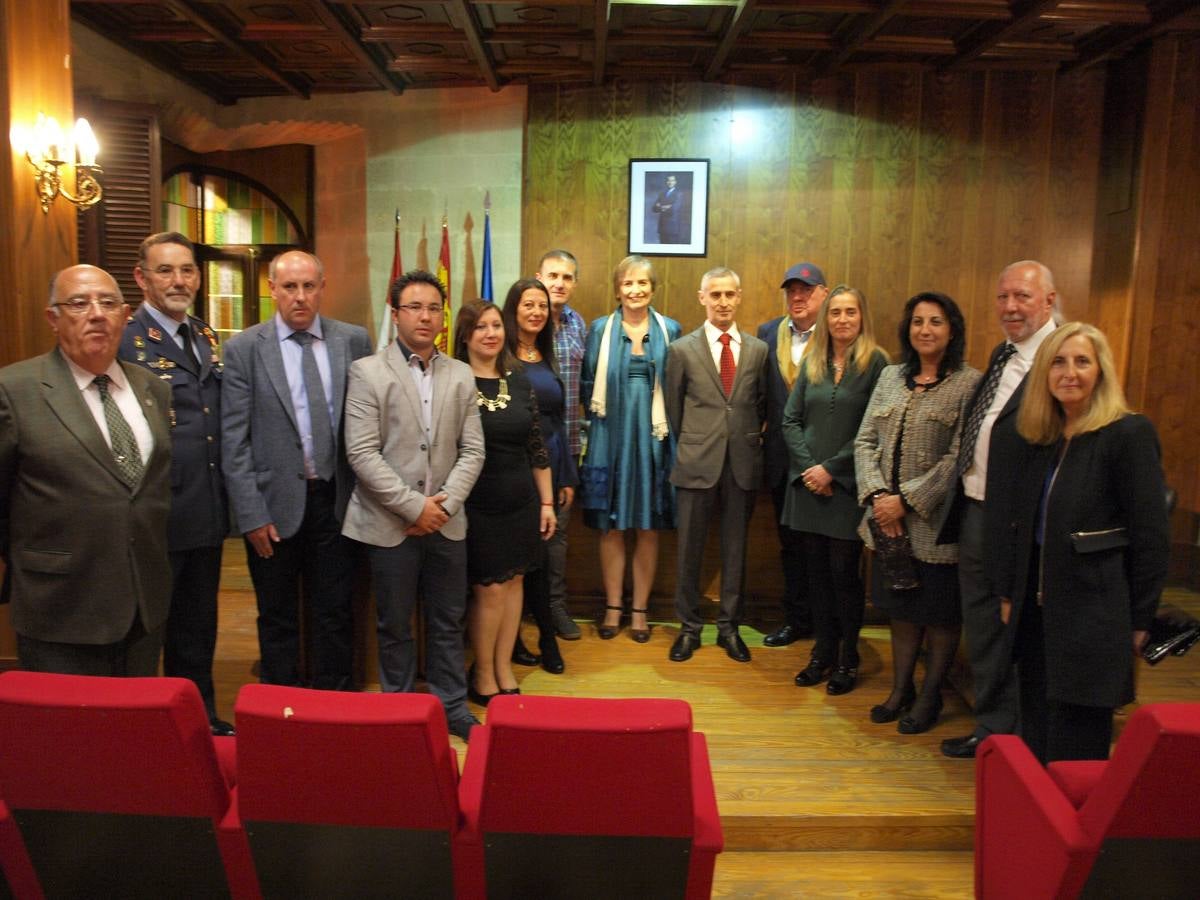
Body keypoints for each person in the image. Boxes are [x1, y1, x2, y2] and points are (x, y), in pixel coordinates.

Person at [998, 323, 1169, 762]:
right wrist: (1008, 594)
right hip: (1036, 612)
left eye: (1081, 361)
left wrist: (1140, 619)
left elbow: (1151, 536)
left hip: (1094, 614)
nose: (1069, 372)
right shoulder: (1041, 436)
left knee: (1077, 745)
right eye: (1058, 361)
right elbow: (1019, 525)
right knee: (1034, 728)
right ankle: (1038, 822)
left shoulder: (1127, 434)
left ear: (1100, 371)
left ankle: (1073, 827)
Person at [0, 265, 171, 675]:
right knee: (64, 736)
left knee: (133, 729)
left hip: (143, 605)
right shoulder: (15, 390)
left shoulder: (153, 389)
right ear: (53, 318)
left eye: (109, 303)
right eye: (79, 303)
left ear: (125, 315)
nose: (97, 313)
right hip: (60, 605)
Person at [342, 270, 484, 742]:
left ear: (443, 316)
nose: (425, 317)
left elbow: (473, 450)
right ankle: (400, 708)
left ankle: (450, 706)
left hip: (447, 521)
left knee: (448, 621)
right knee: (395, 624)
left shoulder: (461, 374)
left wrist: (443, 505)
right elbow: (361, 452)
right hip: (389, 524)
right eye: (415, 308)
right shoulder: (367, 372)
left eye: (433, 308)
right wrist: (412, 507)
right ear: (396, 313)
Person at [221, 250, 372, 691]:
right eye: (290, 287)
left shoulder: (354, 341)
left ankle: (334, 705)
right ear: (272, 290)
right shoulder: (245, 349)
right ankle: (278, 709)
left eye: (309, 286)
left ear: (323, 288)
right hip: (272, 508)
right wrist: (250, 514)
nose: (300, 297)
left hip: (336, 502)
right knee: (277, 615)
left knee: (335, 612)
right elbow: (234, 440)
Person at [935, 260, 1059, 759]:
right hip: (977, 510)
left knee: (1019, 630)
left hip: (1022, 524)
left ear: (1049, 301)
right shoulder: (1004, 352)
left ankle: (1026, 738)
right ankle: (993, 729)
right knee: (983, 626)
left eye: (1023, 297)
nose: (1010, 307)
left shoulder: (1059, 359)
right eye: (1004, 297)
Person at [120, 232, 233, 735]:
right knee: (147, 631)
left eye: (187, 270)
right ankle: (144, 727)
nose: (178, 280)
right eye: (165, 270)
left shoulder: (205, 335)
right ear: (142, 278)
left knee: (197, 627)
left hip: (204, 510)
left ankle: (199, 720)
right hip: (155, 513)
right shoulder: (127, 339)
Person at [855, 293, 981, 733]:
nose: (925, 330)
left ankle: (929, 699)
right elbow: (865, 441)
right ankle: (900, 689)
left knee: (941, 616)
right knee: (901, 610)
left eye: (936, 322)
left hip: (934, 525)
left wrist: (905, 500)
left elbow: (958, 456)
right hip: (887, 526)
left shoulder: (969, 384)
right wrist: (876, 496)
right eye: (917, 322)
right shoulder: (890, 376)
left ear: (952, 330)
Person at [783, 286, 888, 695]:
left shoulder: (878, 364)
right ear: (825, 319)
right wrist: (810, 468)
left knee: (845, 576)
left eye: (850, 312)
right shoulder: (812, 360)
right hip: (807, 488)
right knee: (816, 577)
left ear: (862, 318)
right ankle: (821, 654)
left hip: (845, 487)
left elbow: (874, 428)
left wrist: (831, 469)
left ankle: (848, 658)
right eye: (835, 313)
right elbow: (790, 420)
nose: (842, 320)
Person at [455, 297, 556, 704]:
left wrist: (547, 503)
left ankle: (502, 667)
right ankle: (481, 674)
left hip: (522, 501)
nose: (491, 333)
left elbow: (537, 446)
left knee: (515, 585)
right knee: (489, 591)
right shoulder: (454, 380)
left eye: (496, 325)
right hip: (478, 504)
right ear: (465, 335)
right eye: (481, 327)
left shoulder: (517, 380)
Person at [666, 267, 768, 663]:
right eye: (715, 294)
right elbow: (675, 409)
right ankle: (688, 629)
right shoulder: (681, 350)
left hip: (742, 463)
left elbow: (761, 405)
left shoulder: (758, 351)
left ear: (739, 297)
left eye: (730, 294)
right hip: (696, 461)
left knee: (735, 550)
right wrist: (697, 441)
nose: (723, 301)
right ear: (702, 297)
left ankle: (729, 627)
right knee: (689, 550)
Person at [580, 256, 681, 642]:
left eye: (643, 284)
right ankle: (612, 608)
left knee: (648, 527)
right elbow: (588, 384)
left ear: (653, 289)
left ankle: (640, 611)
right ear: (617, 288)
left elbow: (676, 388)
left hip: (654, 441)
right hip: (611, 437)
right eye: (628, 283)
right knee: (612, 528)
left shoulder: (670, 329)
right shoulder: (600, 329)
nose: (635, 290)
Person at [503, 279, 578, 673]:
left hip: (550, 465)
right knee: (515, 561)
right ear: (513, 309)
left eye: (542, 306)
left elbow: (558, 420)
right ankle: (514, 639)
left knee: (544, 558)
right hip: (512, 469)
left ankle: (546, 638)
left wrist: (565, 475)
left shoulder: (544, 353)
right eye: (528, 304)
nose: (535, 312)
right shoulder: (499, 354)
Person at [759, 262, 827, 647]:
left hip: (822, 462)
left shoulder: (836, 334)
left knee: (822, 549)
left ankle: (826, 623)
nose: (798, 298)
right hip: (780, 461)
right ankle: (797, 619)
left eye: (806, 290)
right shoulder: (768, 333)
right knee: (790, 546)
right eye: (792, 291)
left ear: (823, 293)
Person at [534, 249, 586, 641]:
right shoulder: (523, 323)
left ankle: (554, 607)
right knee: (521, 534)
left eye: (567, 277)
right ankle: (520, 611)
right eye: (553, 275)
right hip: (520, 455)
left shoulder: (578, 325)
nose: (559, 283)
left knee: (559, 536)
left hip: (565, 449)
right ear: (539, 275)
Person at [652, 174, 687, 244]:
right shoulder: (662, 194)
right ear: (666, 182)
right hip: (662, 228)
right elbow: (654, 209)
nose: (670, 182)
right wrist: (666, 206)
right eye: (668, 180)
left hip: (673, 228)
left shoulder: (679, 194)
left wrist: (661, 206)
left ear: (675, 182)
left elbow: (674, 209)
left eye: (672, 180)